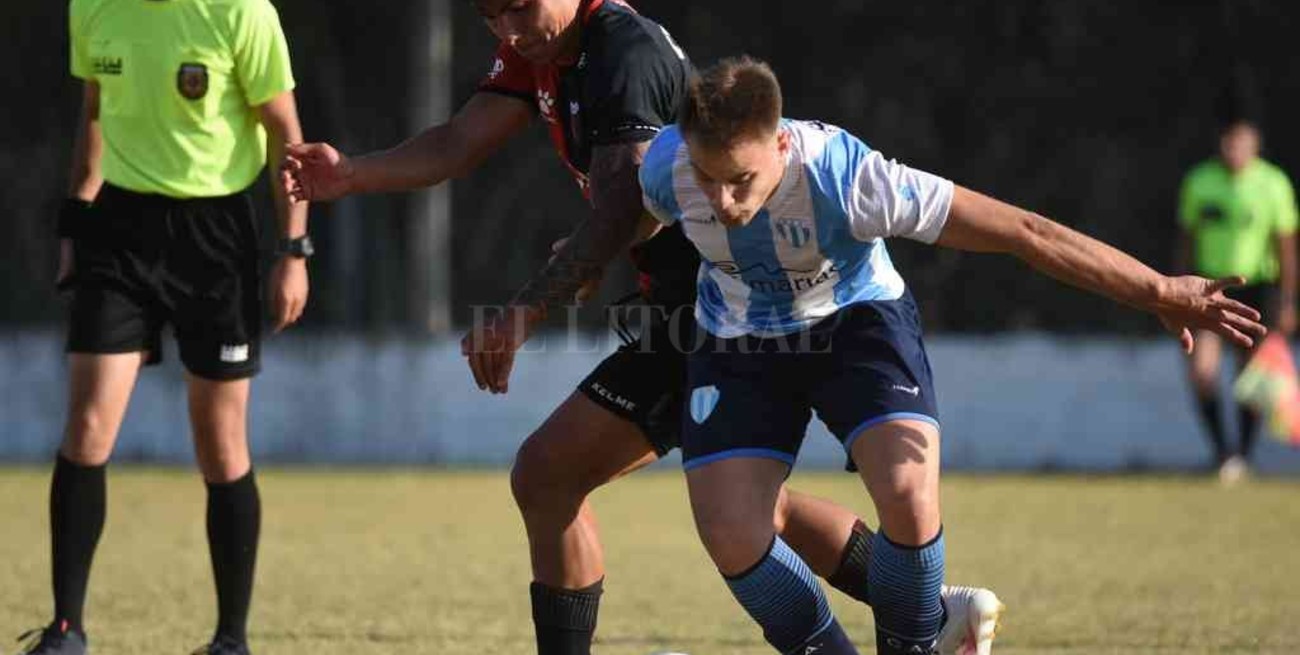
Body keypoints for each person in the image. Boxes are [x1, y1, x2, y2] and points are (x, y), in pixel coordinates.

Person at [280, 1, 999, 653]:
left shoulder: (623, 53)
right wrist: (352, 173)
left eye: (519, 9)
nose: (507, 30)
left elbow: (622, 207)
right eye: (490, 16)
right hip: (683, 309)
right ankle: (933, 609)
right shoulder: (546, 47)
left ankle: (926, 611)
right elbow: (458, 141)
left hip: (712, 313)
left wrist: (525, 310)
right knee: (736, 507)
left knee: (553, 475)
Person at [622, 56, 1264, 654]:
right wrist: (587, 263)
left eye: (741, 180)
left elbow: (1024, 232)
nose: (723, 201)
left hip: (855, 322)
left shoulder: (847, 177)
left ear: (781, 144)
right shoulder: (670, 167)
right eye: (707, 179)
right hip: (738, 338)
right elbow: (637, 215)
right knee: (731, 531)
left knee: (908, 494)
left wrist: (1154, 289)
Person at [19, 0, 309, 653]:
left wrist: (294, 250)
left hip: (216, 238)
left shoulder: (241, 12)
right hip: (118, 231)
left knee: (220, 443)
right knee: (87, 427)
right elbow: (94, 113)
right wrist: (75, 220)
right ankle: (66, 629)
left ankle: (230, 639)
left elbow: (285, 133)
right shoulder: (93, 7)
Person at [1176, 117, 1297, 483]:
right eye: (1229, 143)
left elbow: (1286, 247)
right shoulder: (1200, 181)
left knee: (1249, 379)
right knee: (1202, 372)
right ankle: (1222, 453)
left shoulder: (1273, 183)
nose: (1234, 151)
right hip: (1210, 288)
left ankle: (1242, 456)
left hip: (1256, 288)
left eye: (1242, 144)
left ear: (1255, 146)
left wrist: (1288, 301)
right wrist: (1175, 291)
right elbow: (1185, 240)